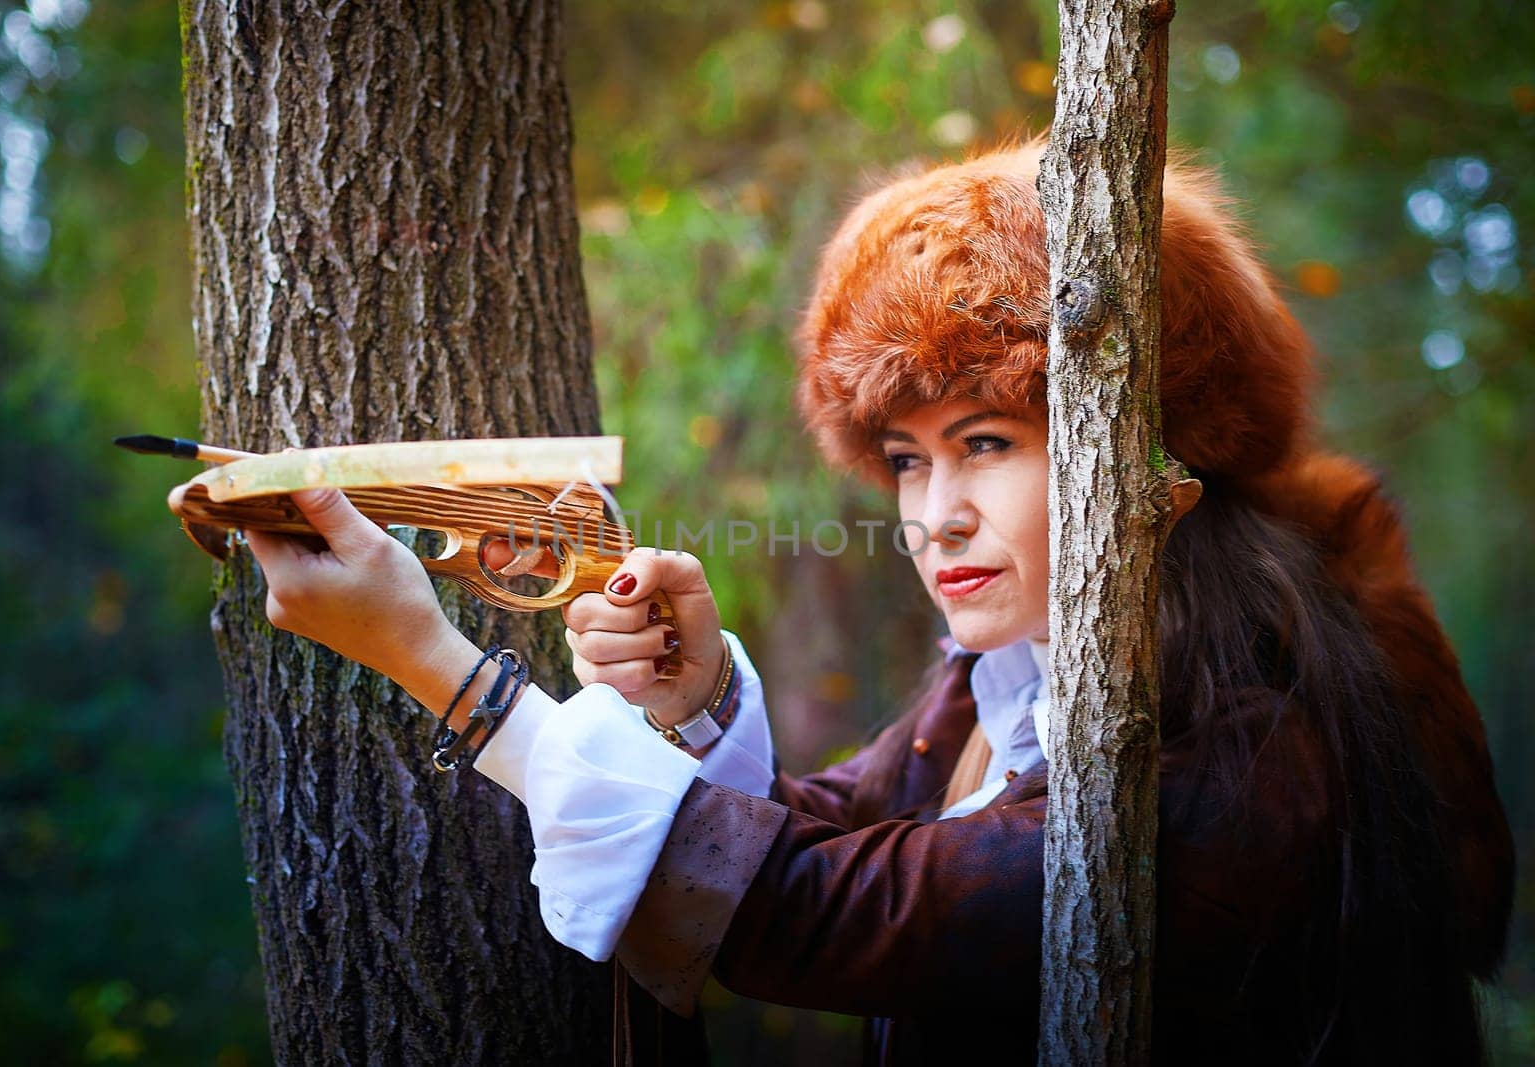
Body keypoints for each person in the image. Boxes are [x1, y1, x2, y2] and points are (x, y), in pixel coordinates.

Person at [242, 141, 1514, 1064]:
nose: (934, 513)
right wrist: (701, 697)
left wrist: (433, 660)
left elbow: (806, 910)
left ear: (1151, 453)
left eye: (988, 443)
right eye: (906, 458)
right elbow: (834, 829)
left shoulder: (1248, 744)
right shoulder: (1006, 682)